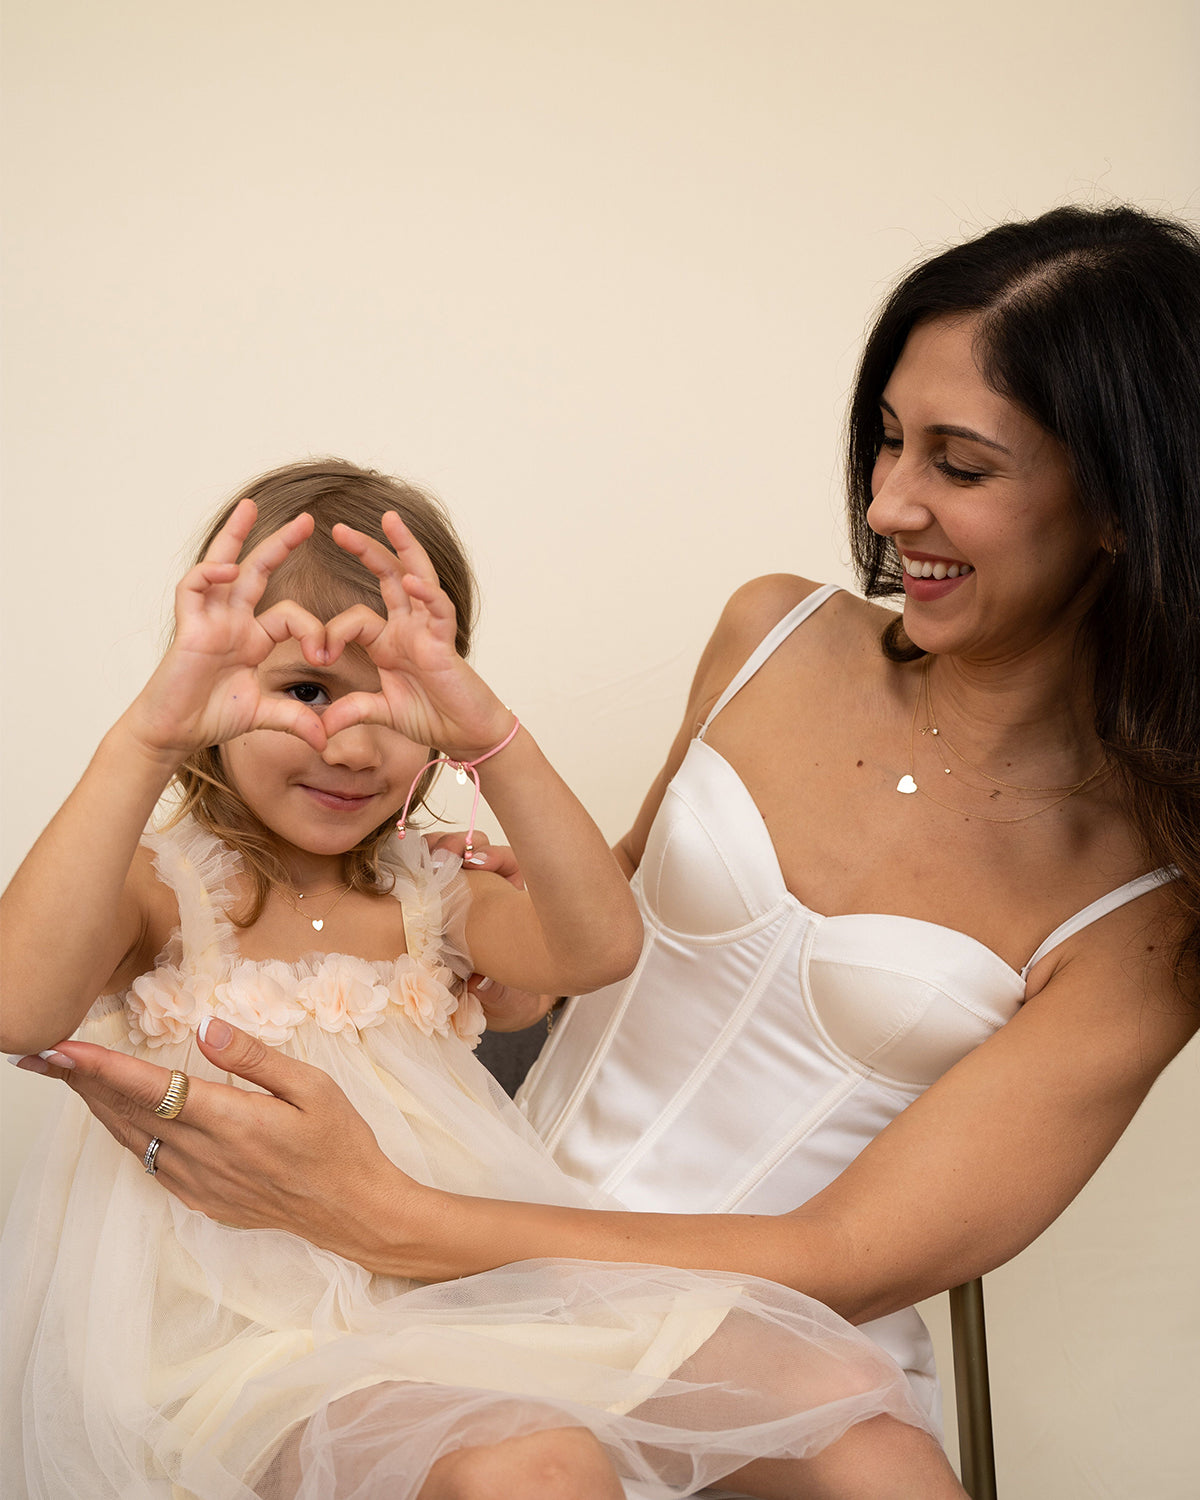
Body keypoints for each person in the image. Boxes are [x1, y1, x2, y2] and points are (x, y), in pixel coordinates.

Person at [13, 200, 1200, 1474]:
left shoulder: (1148, 919)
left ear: (1123, 502)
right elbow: (603, 934)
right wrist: (488, 958)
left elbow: (845, 1254)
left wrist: (389, 1209)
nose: (889, 503)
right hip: (475, 1229)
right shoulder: (774, 636)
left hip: (715, 1296)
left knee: (878, 1465)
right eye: (889, 441)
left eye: (960, 466)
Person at [0, 460, 966, 1500]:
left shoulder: (432, 892)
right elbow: (17, 1006)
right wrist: (150, 734)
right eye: (306, 692)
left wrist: (491, 735)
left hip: (462, 1286)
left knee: (852, 1400)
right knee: (537, 1467)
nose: (351, 744)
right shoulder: (164, 890)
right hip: (242, 1333)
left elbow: (599, 948)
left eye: (397, 699)